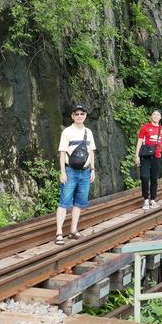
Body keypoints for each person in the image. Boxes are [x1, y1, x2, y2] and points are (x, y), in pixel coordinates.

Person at [55, 104, 96, 244]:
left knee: (79, 203)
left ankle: (73, 230)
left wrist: (93, 169)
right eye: (76, 114)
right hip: (70, 171)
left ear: (85, 115)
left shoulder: (89, 132)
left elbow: (91, 152)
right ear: (72, 116)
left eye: (82, 114)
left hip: (85, 172)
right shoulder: (67, 132)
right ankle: (59, 233)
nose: (79, 116)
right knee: (64, 202)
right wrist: (62, 172)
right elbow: (62, 152)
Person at [134, 108, 162, 210]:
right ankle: (145, 199)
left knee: (154, 179)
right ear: (151, 116)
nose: (156, 116)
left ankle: (153, 200)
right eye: (154, 115)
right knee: (144, 177)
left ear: (160, 117)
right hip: (145, 156)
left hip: (157, 157)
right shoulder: (145, 127)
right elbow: (140, 141)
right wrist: (136, 155)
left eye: (158, 115)